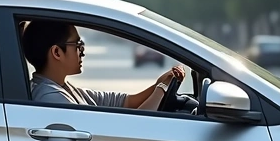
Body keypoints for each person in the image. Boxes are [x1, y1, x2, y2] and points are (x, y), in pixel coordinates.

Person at [20, 19, 185, 110]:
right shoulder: (52, 98)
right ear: (57, 53)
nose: (82, 51)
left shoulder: (62, 87)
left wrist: (160, 83)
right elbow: (130, 130)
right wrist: (161, 90)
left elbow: (126, 102)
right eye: (77, 45)